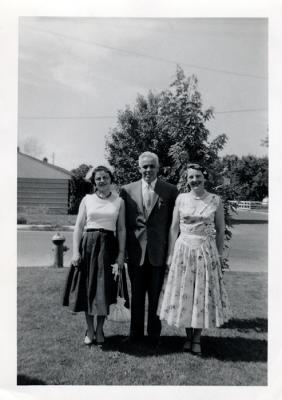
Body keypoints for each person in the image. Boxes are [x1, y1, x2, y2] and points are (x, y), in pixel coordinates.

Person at [157, 163, 231, 355]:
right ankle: (187, 336)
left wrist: (219, 255)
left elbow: (221, 230)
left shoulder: (215, 200)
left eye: (198, 176)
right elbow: (173, 228)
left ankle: (197, 338)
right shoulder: (181, 199)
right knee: (186, 292)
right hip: (183, 251)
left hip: (205, 250)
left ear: (204, 178)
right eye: (191, 177)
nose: (195, 180)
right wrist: (171, 254)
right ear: (186, 180)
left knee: (201, 292)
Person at [62, 165, 128, 346]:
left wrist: (121, 254)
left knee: (104, 290)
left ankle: (100, 329)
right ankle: (89, 329)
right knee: (88, 289)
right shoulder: (87, 199)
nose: (102, 181)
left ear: (111, 179)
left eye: (105, 177)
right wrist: (76, 252)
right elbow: (79, 226)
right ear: (94, 181)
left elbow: (121, 229)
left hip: (108, 247)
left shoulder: (119, 201)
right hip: (89, 246)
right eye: (98, 178)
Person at [120, 152, 178, 347]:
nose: (148, 170)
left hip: (158, 253)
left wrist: (171, 252)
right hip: (135, 252)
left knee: (155, 297)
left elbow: (174, 225)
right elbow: (124, 224)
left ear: (158, 167)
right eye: (144, 166)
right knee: (136, 296)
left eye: (152, 166)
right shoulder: (126, 190)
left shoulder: (170, 190)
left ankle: (154, 336)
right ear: (139, 168)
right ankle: (135, 334)